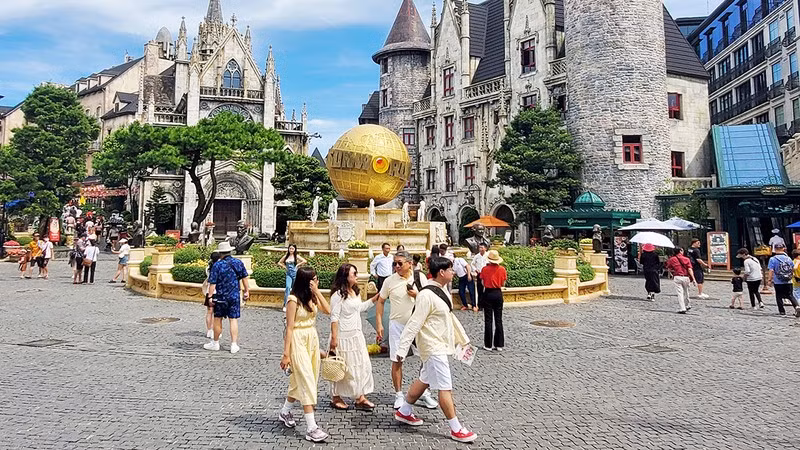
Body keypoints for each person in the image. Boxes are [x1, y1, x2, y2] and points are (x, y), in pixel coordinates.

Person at [393, 257, 476, 443]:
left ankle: (405, 411)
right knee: (445, 387)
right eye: (451, 270)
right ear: (442, 272)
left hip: (440, 344)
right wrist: (401, 349)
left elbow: (450, 318)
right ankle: (456, 428)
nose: (453, 272)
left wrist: (463, 341)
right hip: (432, 347)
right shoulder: (426, 295)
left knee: (424, 380)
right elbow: (414, 323)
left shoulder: (442, 291)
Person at [374, 250, 438, 410]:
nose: (396, 266)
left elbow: (430, 299)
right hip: (397, 324)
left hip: (418, 324)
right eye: (394, 263)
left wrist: (417, 295)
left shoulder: (420, 278)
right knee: (397, 360)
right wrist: (380, 323)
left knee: (426, 358)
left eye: (399, 263)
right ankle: (399, 394)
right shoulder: (389, 281)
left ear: (410, 263)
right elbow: (380, 301)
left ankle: (424, 392)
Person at [278, 266, 332, 443]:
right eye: (314, 279)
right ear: (306, 281)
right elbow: (290, 327)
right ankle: (311, 427)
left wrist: (317, 292)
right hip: (298, 340)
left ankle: (285, 411)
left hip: (312, 339)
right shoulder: (293, 299)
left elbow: (328, 310)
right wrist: (286, 354)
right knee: (307, 379)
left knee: (301, 379)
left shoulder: (312, 297)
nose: (317, 282)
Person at [329, 264, 378, 410]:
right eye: (354, 273)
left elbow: (360, 308)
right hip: (343, 337)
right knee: (342, 368)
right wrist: (334, 339)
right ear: (345, 276)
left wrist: (376, 298)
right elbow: (334, 317)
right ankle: (336, 396)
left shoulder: (354, 292)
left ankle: (360, 396)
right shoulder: (337, 295)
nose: (356, 276)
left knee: (362, 365)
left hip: (356, 335)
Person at [204, 242, 250, 353]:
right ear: (230, 251)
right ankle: (234, 345)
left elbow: (212, 283)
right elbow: (244, 277)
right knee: (233, 319)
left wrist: (210, 297)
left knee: (218, 319)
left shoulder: (217, 265)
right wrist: (247, 291)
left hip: (221, 296)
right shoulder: (238, 263)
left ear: (220, 253)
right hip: (234, 295)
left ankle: (215, 343)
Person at [479, 250, 507, 351]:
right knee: (499, 319)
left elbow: (482, 282)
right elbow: (503, 283)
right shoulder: (502, 269)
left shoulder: (484, 269)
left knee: (488, 320)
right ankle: (499, 344)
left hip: (488, 293)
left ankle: (488, 345)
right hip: (498, 294)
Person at [767, 243, 800, 317]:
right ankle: (797, 307)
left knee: (778, 295)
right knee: (790, 295)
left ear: (774, 249)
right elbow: (792, 268)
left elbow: (771, 270)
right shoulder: (788, 258)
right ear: (783, 249)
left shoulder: (772, 259)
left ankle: (782, 311)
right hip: (788, 280)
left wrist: (769, 280)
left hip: (778, 281)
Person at [664, 248, 696, 314]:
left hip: (677, 276)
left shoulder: (672, 259)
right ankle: (687, 304)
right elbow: (690, 269)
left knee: (680, 293)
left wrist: (671, 273)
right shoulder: (687, 259)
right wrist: (694, 279)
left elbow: (668, 267)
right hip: (686, 277)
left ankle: (682, 308)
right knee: (686, 292)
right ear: (680, 251)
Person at [278, 245, 307, 312]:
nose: (291, 250)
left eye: (292, 249)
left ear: (294, 249)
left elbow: (304, 261)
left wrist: (297, 265)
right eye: (290, 248)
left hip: (295, 273)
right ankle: (285, 304)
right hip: (288, 274)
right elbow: (279, 262)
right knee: (288, 287)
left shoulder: (296, 256)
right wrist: (285, 267)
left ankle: (298, 303)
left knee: (296, 288)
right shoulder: (286, 256)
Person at [202, 252, 221, 339]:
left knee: (209, 312)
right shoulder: (220, 267)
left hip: (209, 291)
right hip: (218, 291)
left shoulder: (208, 268)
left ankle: (209, 330)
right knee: (217, 314)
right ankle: (217, 331)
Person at [471, 243, 488, 308]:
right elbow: (472, 264)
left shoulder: (488, 255)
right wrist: (475, 269)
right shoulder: (477, 256)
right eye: (479, 248)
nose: (480, 249)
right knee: (479, 289)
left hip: (486, 274)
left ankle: (486, 304)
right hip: (480, 274)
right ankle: (480, 305)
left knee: (487, 289)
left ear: (485, 248)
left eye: (482, 247)